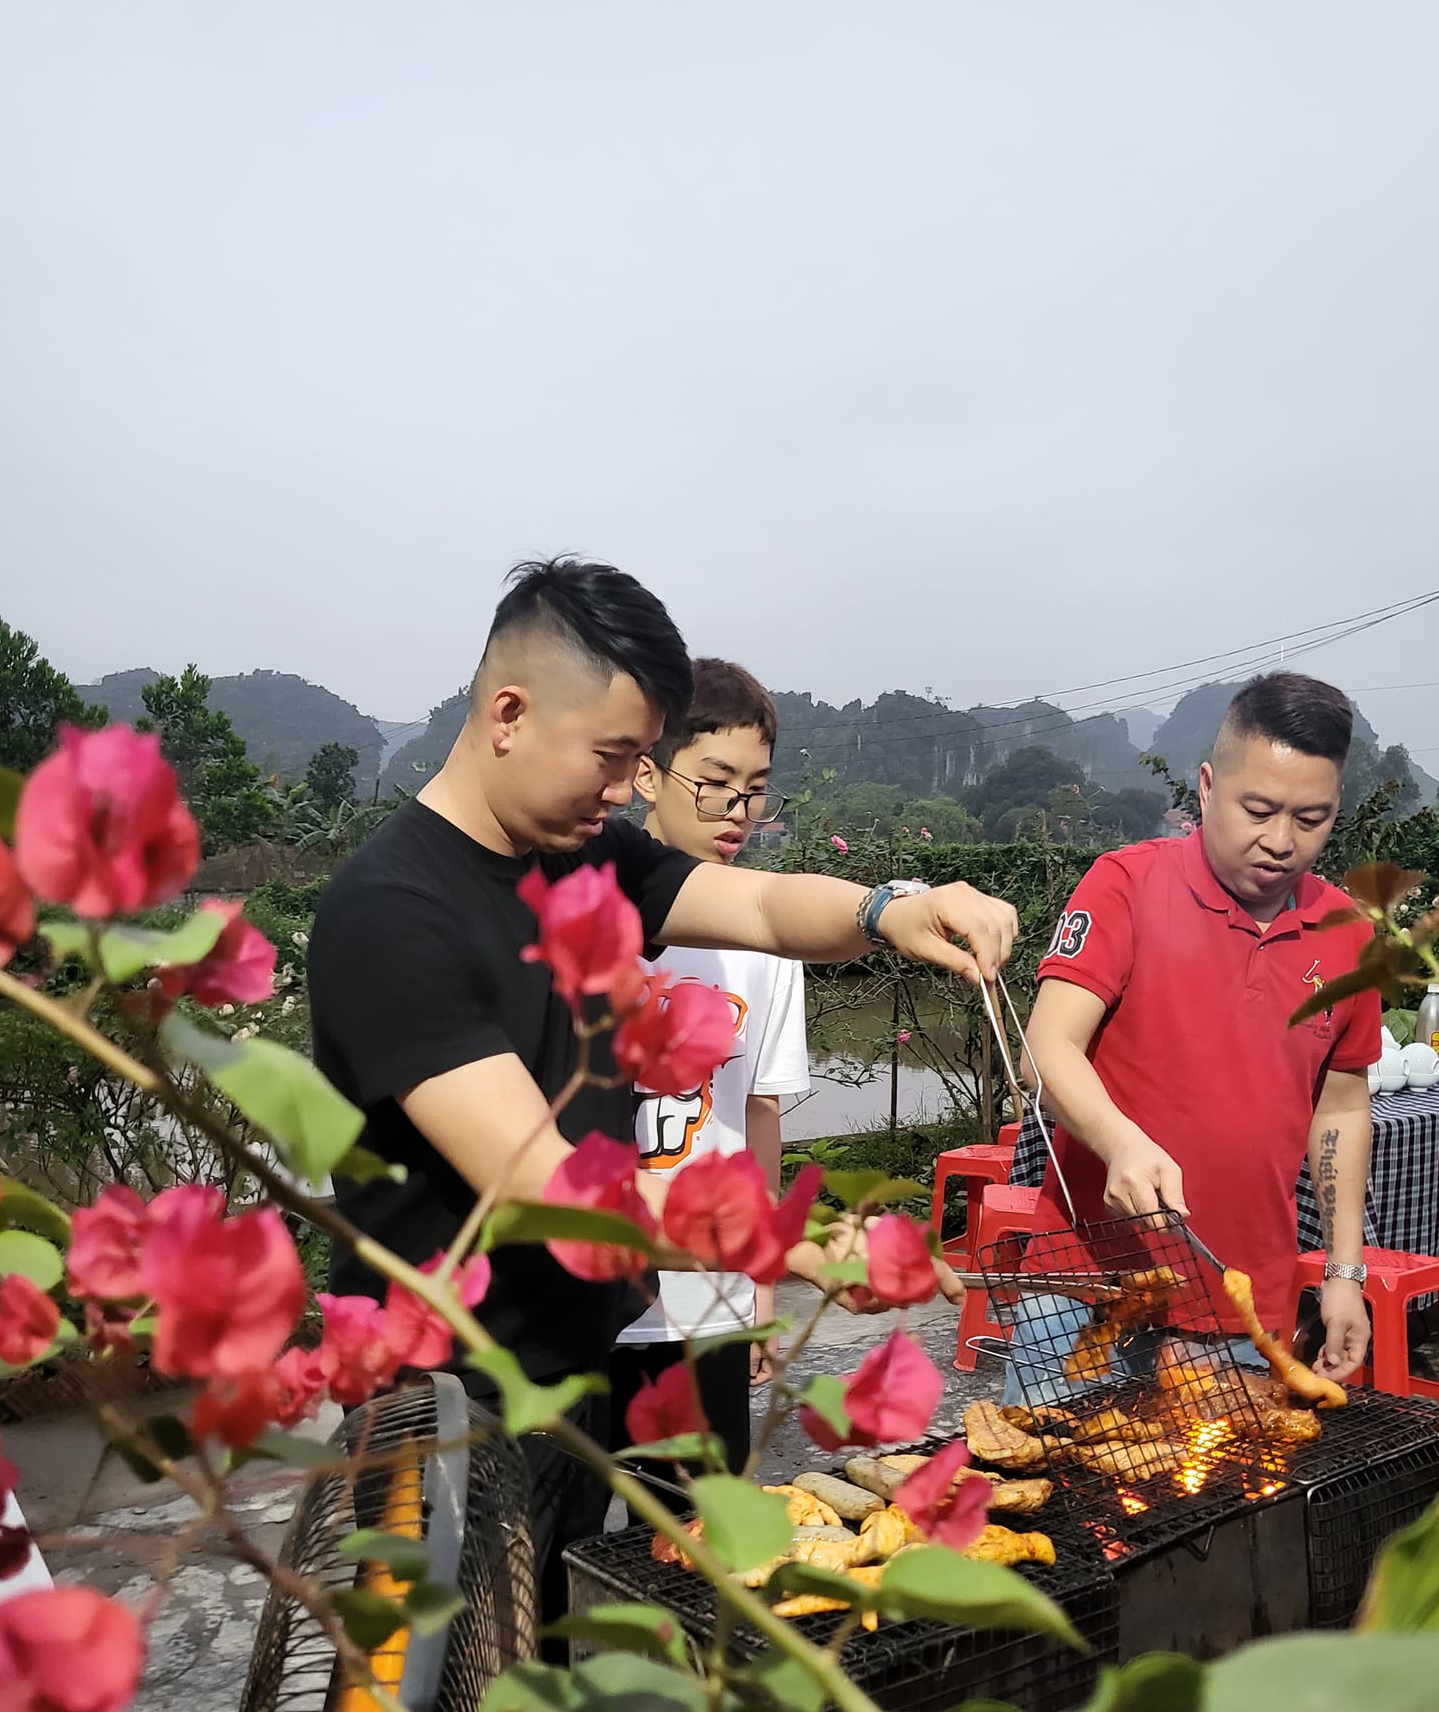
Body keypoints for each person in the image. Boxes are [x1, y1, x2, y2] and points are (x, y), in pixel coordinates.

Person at [308, 557, 1015, 1620]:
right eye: (609, 755)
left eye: (639, 758)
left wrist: (889, 910)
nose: (620, 786)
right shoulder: (391, 912)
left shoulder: (585, 858)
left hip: (581, 1363)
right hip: (447, 1414)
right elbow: (545, 1186)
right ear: (508, 712)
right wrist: (800, 1246)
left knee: (588, 1654)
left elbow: (769, 909)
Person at [1019, 671, 1380, 1384]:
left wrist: (1345, 1272)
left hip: (1241, 1308)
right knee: (1052, 1488)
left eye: (1311, 820)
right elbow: (1044, 1049)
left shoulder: (1348, 935)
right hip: (1089, 1290)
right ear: (1208, 787)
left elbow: (1340, 1107)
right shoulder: (1126, 886)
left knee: (1221, 1496)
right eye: (1258, 809)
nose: (1281, 841)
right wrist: (1121, 1142)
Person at [608, 659, 807, 1480]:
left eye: (755, 789)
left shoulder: (767, 941)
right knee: (578, 1534)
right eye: (715, 782)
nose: (737, 811)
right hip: (598, 1281)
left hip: (708, 1289)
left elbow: (760, 1114)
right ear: (647, 774)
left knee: (699, 1534)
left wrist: (762, 1278)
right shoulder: (595, 913)